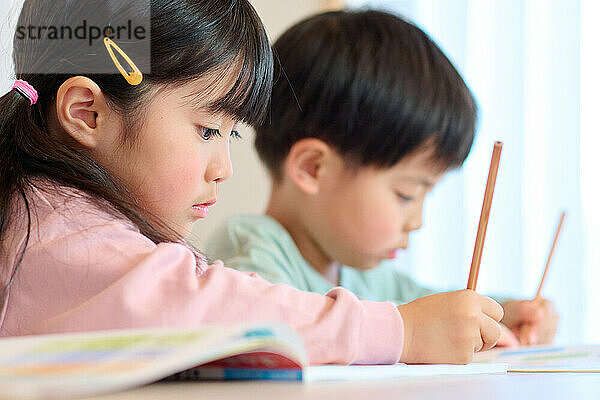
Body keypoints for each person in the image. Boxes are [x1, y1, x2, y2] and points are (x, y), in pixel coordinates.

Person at [0, 0, 503, 365]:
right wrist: (402, 331)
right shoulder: (57, 239)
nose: (224, 167)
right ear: (87, 113)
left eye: (230, 136)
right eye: (207, 130)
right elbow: (200, 304)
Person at [206, 10, 559, 346]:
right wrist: (410, 331)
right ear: (313, 168)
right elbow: (268, 333)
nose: (417, 221)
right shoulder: (251, 250)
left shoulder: (364, 273)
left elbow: (435, 311)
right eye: (406, 194)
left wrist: (505, 315)